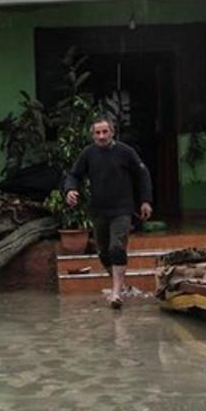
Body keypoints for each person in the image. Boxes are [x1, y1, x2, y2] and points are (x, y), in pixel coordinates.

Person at [64, 115, 153, 309]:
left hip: (122, 209)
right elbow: (74, 175)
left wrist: (145, 200)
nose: (102, 136)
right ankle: (121, 286)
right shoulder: (88, 153)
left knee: (116, 247)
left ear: (112, 133)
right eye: (98, 133)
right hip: (99, 210)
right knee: (103, 251)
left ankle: (116, 292)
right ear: (93, 135)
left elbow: (142, 174)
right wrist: (70, 190)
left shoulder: (125, 152)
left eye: (105, 132)